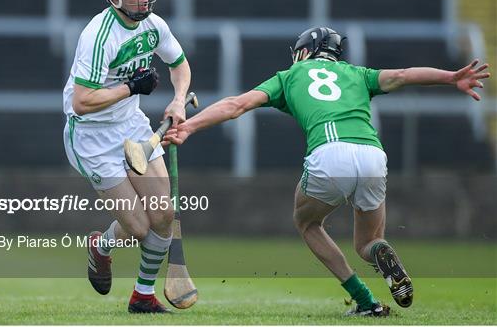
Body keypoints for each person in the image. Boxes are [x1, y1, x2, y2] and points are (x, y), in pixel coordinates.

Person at [164, 27, 490, 316]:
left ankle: (364, 299)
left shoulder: (289, 76)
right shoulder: (357, 73)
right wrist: (450, 77)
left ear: (304, 52)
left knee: (306, 222)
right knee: (370, 241)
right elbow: (404, 75)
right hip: (373, 154)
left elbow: (235, 105)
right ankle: (380, 253)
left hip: (329, 154)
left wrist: (189, 127)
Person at [62, 0, 191, 313]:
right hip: (91, 137)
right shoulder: (98, 35)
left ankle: (142, 297)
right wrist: (130, 86)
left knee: (162, 215)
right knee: (137, 226)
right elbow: (83, 101)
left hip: (131, 126)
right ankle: (101, 247)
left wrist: (178, 101)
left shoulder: (153, 25)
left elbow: (179, 64)